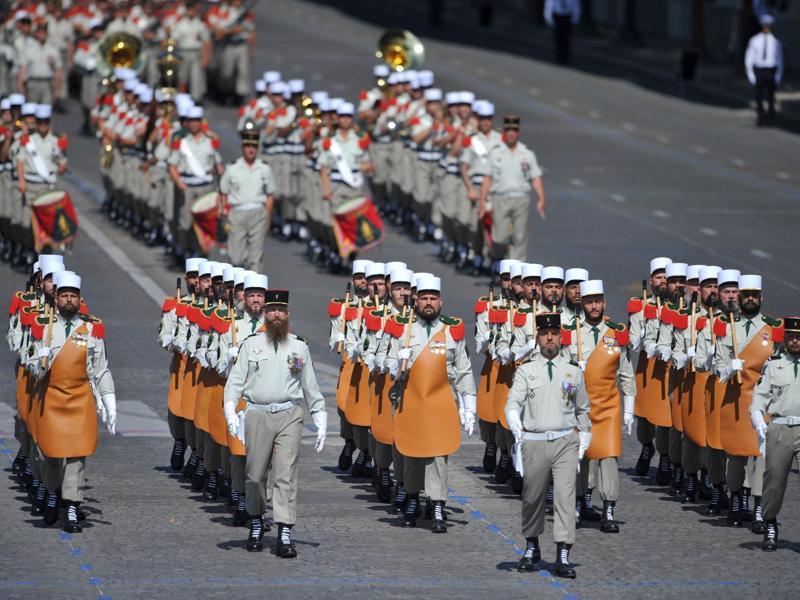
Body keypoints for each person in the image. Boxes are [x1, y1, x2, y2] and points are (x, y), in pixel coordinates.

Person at [223, 288, 327, 556]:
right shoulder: (251, 345)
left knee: (285, 473)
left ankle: (284, 531)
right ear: (266, 314)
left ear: (287, 314)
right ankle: (256, 520)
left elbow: (310, 385)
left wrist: (320, 415)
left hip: (289, 415)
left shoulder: (299, 346)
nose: (276, 314)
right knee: (255, 475)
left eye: (281, 310)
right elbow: (235, 381)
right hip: (257, 414)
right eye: (272, 310)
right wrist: (230, 410)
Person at [385, 274, 476, 533]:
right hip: (409, 399)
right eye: (423, 298)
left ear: (441, 301)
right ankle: (412, 498)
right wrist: (396, 363)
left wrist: (469, 405)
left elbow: (464, 370)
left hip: (439, 400)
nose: (428, 303)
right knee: (411, 452)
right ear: (415, 300)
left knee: (438, 453)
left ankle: (436, 503)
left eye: (432, 299)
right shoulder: (403, 327)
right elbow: (389, 367)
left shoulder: (451, 330)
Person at [28, 273, 116, 533]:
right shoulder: (44, 326)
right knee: (50, 455)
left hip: (79, 399)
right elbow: (32, 367)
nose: (69, 300)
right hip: (51, 399)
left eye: (73, 296)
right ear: (55, 298)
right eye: (64, 295)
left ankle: (71, 506)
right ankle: (53, 492)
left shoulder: (91, 329)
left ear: (80, 299)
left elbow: (101, 369)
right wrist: (40, 362)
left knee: (77, 457)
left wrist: (109, 400)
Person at [506, 312, 590, 578]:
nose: (549, 337)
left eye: (554, 333)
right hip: (534, 441)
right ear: (538, 338)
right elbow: (513, 403)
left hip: (565, 441)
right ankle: (532, 546)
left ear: (561, 336)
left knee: (565, 498)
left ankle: (563, 554)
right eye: (544, 333)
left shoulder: (574, 371)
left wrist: (583, 443)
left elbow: (583, 409)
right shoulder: (525, 370)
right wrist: (515, 425)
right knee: (532, 496)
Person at [713, 274, 782, 531]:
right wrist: (728, 369)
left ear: (761, 298)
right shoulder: (726, 324)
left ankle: (758, 508)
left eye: (755, 295)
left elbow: (782, 361)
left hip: (762, 399)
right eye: (746, 295)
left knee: (761, 455)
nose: (750, 299)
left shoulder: (773, 328)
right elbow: (717, 365)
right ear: (740, 298)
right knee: (737, 455)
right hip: (735, 397)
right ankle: (735, 500)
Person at [568, 280, 635, 532]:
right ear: (582, 304)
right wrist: (573, 378)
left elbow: (626, 373)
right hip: (580, 407)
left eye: (597, 302)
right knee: (579, 457)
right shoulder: (571, 332)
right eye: (589, 302)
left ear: (604, 303)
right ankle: (577, 504)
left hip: (608, 406)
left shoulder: (615, 333)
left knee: (608, 457)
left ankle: (608, 509)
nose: (593, 306)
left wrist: (629, 407)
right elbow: (564, 377)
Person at [750, 315, 800, 551]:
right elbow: (759, 397)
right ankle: (770, 523)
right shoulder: (774, 364)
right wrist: (758, 419)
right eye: (791, 336)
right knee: (775, 481)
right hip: (780, 428)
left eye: (799, 337)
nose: (795, 341)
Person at [479, 115, 546, 262]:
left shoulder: (527, 153)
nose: (511, 133)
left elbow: (535, 177)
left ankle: (516, 272)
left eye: (514, 130)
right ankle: (497, 257)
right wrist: (483, 201)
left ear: (518, 132)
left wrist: (541, 199)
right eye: (508, 130)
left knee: (520, 237)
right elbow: (487, 178)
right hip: (500, 198)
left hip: (521, 198)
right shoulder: (496, 152)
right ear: (504, 132)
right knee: (499, 237)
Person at [167, 106, 223, 259]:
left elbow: (218, 165)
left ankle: (202, 253)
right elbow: (172, 165)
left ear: (201, 122)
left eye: (196, 120)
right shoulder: (181, 142)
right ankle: (186, 248)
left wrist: (221, 187)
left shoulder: (210, 141)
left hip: (206, 187)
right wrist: (179, 183)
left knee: (205, 224)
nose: (193, 124)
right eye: (190, 120)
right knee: (185, 223)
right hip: (188, 186)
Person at [218, 126, 276, 272]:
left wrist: (268, 217)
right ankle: (237, 290)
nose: (251, 150)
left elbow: (270, 195)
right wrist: (223, 211)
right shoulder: (232, 168)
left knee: (255, 258)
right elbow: (223, 192)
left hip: (258, 212)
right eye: (248, 146)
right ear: (242, 148)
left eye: (254, 147)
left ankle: (254, 291)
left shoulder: (264, 168)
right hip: (237, 213)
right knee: (236, 258)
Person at [744, 14, 783, 127]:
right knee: (759, 96)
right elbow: (749, 58)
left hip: (771, 70)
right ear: (762, 26)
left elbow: (780, 60)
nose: (766, 28)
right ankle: (760, 117)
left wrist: (778, 75)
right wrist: (750, 74)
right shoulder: (755, 40)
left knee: (771, 96)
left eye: (768, 26)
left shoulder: (776, 42)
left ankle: (771, 117)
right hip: (759, 70)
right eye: (765, 26)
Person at [16, 20, 63, 106]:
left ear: (47, 34)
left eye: (44, 32)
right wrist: (20, 86)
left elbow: (58, 71)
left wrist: (57, 90)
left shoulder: (53, 50)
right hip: (32, 82)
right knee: (32, 111)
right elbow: (22, 68)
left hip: (47, 83)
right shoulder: (28, 49)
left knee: (45, 111)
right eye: (39, 32)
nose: (41, 35)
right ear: (36, 33)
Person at [544, 0, 581, 65]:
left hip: (567, 17)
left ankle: (565, 57)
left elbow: (576, 6)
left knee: (566, 39)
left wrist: (575, 19)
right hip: (557, 17)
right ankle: (559, 57)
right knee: (558, 39)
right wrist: (549, 19)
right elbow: (549, 5)